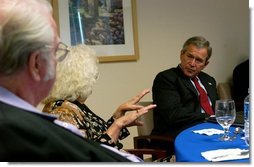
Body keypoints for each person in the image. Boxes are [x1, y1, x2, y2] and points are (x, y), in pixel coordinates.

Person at [0, 0, 153, 162]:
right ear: (36, 63)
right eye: (56, 51)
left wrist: (117, 118)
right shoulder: (31, 133)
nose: (58, 62)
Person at [41, 43, 156, 150]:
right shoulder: (63, 113)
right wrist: (117, 125)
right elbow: (89, 156)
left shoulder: (72, 104)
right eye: (92, 78)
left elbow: (97, 137)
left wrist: (118, 116)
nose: (93, 83)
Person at [151, 36, 219, 139]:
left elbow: (219, 110)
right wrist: (209, 117)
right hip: (180, 134)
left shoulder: (209, 80)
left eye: (199, 60)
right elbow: (173, 114)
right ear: (181, 54)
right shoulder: (166, 78)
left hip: (213, 132)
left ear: (205, 64)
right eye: (190, 56)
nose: (192, 64)